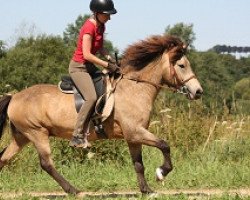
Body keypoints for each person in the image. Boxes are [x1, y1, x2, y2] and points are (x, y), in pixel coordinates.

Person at [69, 0, 118, 148]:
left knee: (108, 86)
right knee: (91, 98)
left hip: (89, 67)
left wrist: (109, 57)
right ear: (97, 13)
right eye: (107, 15)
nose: (109, 18)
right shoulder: (88, 27)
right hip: (79, 68)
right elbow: (87, 54)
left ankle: (98, 123)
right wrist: (107, 65)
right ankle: (77, 136)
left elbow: (100, 47)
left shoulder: (101, 26)